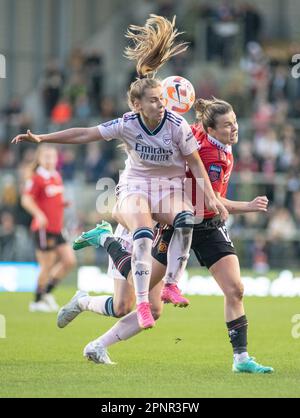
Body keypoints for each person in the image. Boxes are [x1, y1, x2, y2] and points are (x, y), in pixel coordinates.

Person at [12, 15, 228, 329]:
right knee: (134, 273)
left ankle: (165, 285)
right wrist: (44, 137)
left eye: (163, 99)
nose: (162, 104)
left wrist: (214, 200)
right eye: (155, 100)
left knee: (184, 222)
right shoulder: (127, 124)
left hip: (166, 194)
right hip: (135, 193)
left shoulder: (176, 125)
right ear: (138, 105)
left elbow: (196, 164)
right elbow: (85, 133)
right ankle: (109, 255)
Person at [65, 97, 273, 373]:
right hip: (177, 225)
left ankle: (242, 359)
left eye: (234, 122)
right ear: (210, 129)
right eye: (227, 125)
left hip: (209, 226)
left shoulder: (213, 141)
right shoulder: (201, 151)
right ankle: (106, 239)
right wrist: (247, 206)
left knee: (235, 289)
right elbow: (210, 201)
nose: (234, 128)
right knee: (132, 296)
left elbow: (177, 117)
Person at [21, 145, 76, 312]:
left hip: (57, 228)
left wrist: (62, 204)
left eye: (52, 157)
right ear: (39, 159)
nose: (49, 160)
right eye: (46, 157)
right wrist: (39, 214)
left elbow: (51, 199)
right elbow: (26, 199)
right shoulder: (37, 178)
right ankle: (37, 301)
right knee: (47, 264)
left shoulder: (56, 176)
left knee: (69, 261)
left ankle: (46, 293)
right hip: (43, 228)